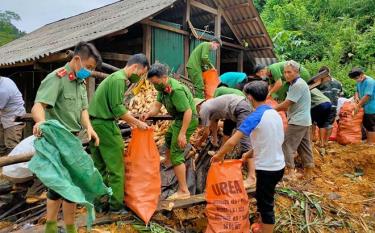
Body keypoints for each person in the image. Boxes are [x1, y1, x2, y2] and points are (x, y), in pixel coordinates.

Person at [31, 41, 101, 233]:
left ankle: (70, 228)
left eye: (92, 69)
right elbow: (38, 106)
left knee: (73, 187)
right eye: (88, 67)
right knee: (58, 186)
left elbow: (83, 110)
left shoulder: (80, 82)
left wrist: (89, 128)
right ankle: (51, 228)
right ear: (77, 59)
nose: (89, 72)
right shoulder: (57, 78)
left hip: (73, 141)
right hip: (57, 140)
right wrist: (40, 122)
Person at [211, 81, 285, 233]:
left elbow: (232, 141)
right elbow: (269, 139)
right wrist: (249, 153)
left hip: (267, 169)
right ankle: (260, 226)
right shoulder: (273, 113)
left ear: (250, 98)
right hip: (278, 165)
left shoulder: (254, 117)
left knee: (266, 205)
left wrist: (219, 155)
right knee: (262, 195)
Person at [88, 54, 150, 214]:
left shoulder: (113, 79)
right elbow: (118, 109)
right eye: (142, 73)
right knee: (116, 167)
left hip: (94, 123)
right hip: (105, 125)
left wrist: (128, 119)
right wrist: (137, 123)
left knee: (99, 166)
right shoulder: (118, 80)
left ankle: (100, 203)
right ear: (135, 67)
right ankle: (116, 206)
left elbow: (115, 108)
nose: (141, 76)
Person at [142, 63, 198, 200]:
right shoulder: (162, 89)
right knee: (167, 137)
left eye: (155, 82)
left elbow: (188, 112)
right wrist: (148, 114)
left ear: (164, 78)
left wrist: (183, 133)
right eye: (152, 83)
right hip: (178, 119)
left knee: (176, 151)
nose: (154, 85)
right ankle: (168, 161)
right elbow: (156, 106)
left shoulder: (176, 90)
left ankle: (184, 190)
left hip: (187, 119)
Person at [194, 94, 256, 188]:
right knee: (227, 134)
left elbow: (206, 132)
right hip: (234, 110)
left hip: (239, 108)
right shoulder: (211, 105)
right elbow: (214, 124)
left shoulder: (203, 109)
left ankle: (252, 176)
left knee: (245, 141)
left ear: (198, 105)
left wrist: (198, 142)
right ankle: (221, 155)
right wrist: (214, 140)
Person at [274, 60, 314, 179]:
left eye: (289, 72)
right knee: (305, 146)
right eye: (285, 72)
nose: (286, 75)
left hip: (297, 121)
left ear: (297, 72)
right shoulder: (295, 84)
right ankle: (309, 172)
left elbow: (287, 104)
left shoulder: (298, 85)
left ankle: (290, 172)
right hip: (305, 121)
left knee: (286, 145)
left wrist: (271, 109)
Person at [316, 66, 343, 146]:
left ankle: (321, 142)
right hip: (333, 106)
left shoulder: (319, 83)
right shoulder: (338, 83)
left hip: (322, 106)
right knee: (329, 124)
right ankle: (326, 142)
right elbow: (340, 95)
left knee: (322, 124)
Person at [0, 77, 26, 156]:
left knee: (12, 146)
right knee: (1, 145)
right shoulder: (4, 80)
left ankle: (11, 167)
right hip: (4, 116)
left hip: (13, 118)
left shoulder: (3, 90)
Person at [348, 67, 375, 144]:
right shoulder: (359, 81)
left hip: (371, 107)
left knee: (371, 126)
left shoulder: (369, 81)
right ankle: (368, 141)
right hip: (365, 107)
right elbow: (356, 91)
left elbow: (367, 96)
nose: (356, 80)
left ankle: (371, 143)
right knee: (366, 125)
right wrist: (356, 97)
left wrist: (358, 106)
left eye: (357, 78)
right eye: (354, 79)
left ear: (362, 75)